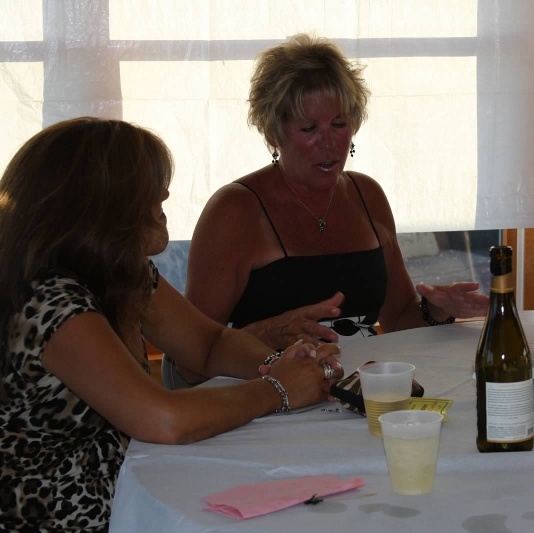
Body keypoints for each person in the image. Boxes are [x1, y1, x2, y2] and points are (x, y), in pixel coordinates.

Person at [0, 117, 343, 530]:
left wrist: (283, 363)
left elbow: (209, 345)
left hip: (131, 489)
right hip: (66, 517)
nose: (165, 194)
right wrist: (279, 389)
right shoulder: (50, 304)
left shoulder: (122, 273)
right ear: (100, 205)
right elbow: (165, 419)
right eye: (150, 189)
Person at [166, 33, 488, 388]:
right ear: (273, 134)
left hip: (355, 394)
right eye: (308, 128)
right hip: (262, 399)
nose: (329, 142)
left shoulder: (367, 195)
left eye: (339, 124)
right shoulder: (235, 210)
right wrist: (270, 333)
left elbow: (398, 318)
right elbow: (190, 361)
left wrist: (437, 310)